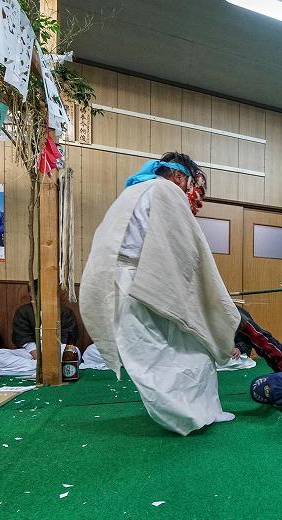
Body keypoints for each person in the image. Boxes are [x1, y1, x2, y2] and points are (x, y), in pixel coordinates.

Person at [80, 152, 241, 436]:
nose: (188, 190)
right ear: (179, 176)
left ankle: (201, 412)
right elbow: (183, 250)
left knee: (154, 350)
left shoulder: (133, 192)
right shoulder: (166, 191)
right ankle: (193, 414)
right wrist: (201, 291)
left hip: (121, 281)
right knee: (176, 347)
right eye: (189, 183)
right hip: (142, 279)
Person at [0, 280, 81, 372]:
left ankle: (37, 366)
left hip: (57, 351)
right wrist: (38, 357)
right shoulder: (24, 311)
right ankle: (41, 366)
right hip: (31, 353)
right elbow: (22, 337)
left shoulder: (65, 312)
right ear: (32, 294)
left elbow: (68, 338)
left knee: (74, 352)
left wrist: (51, 353)